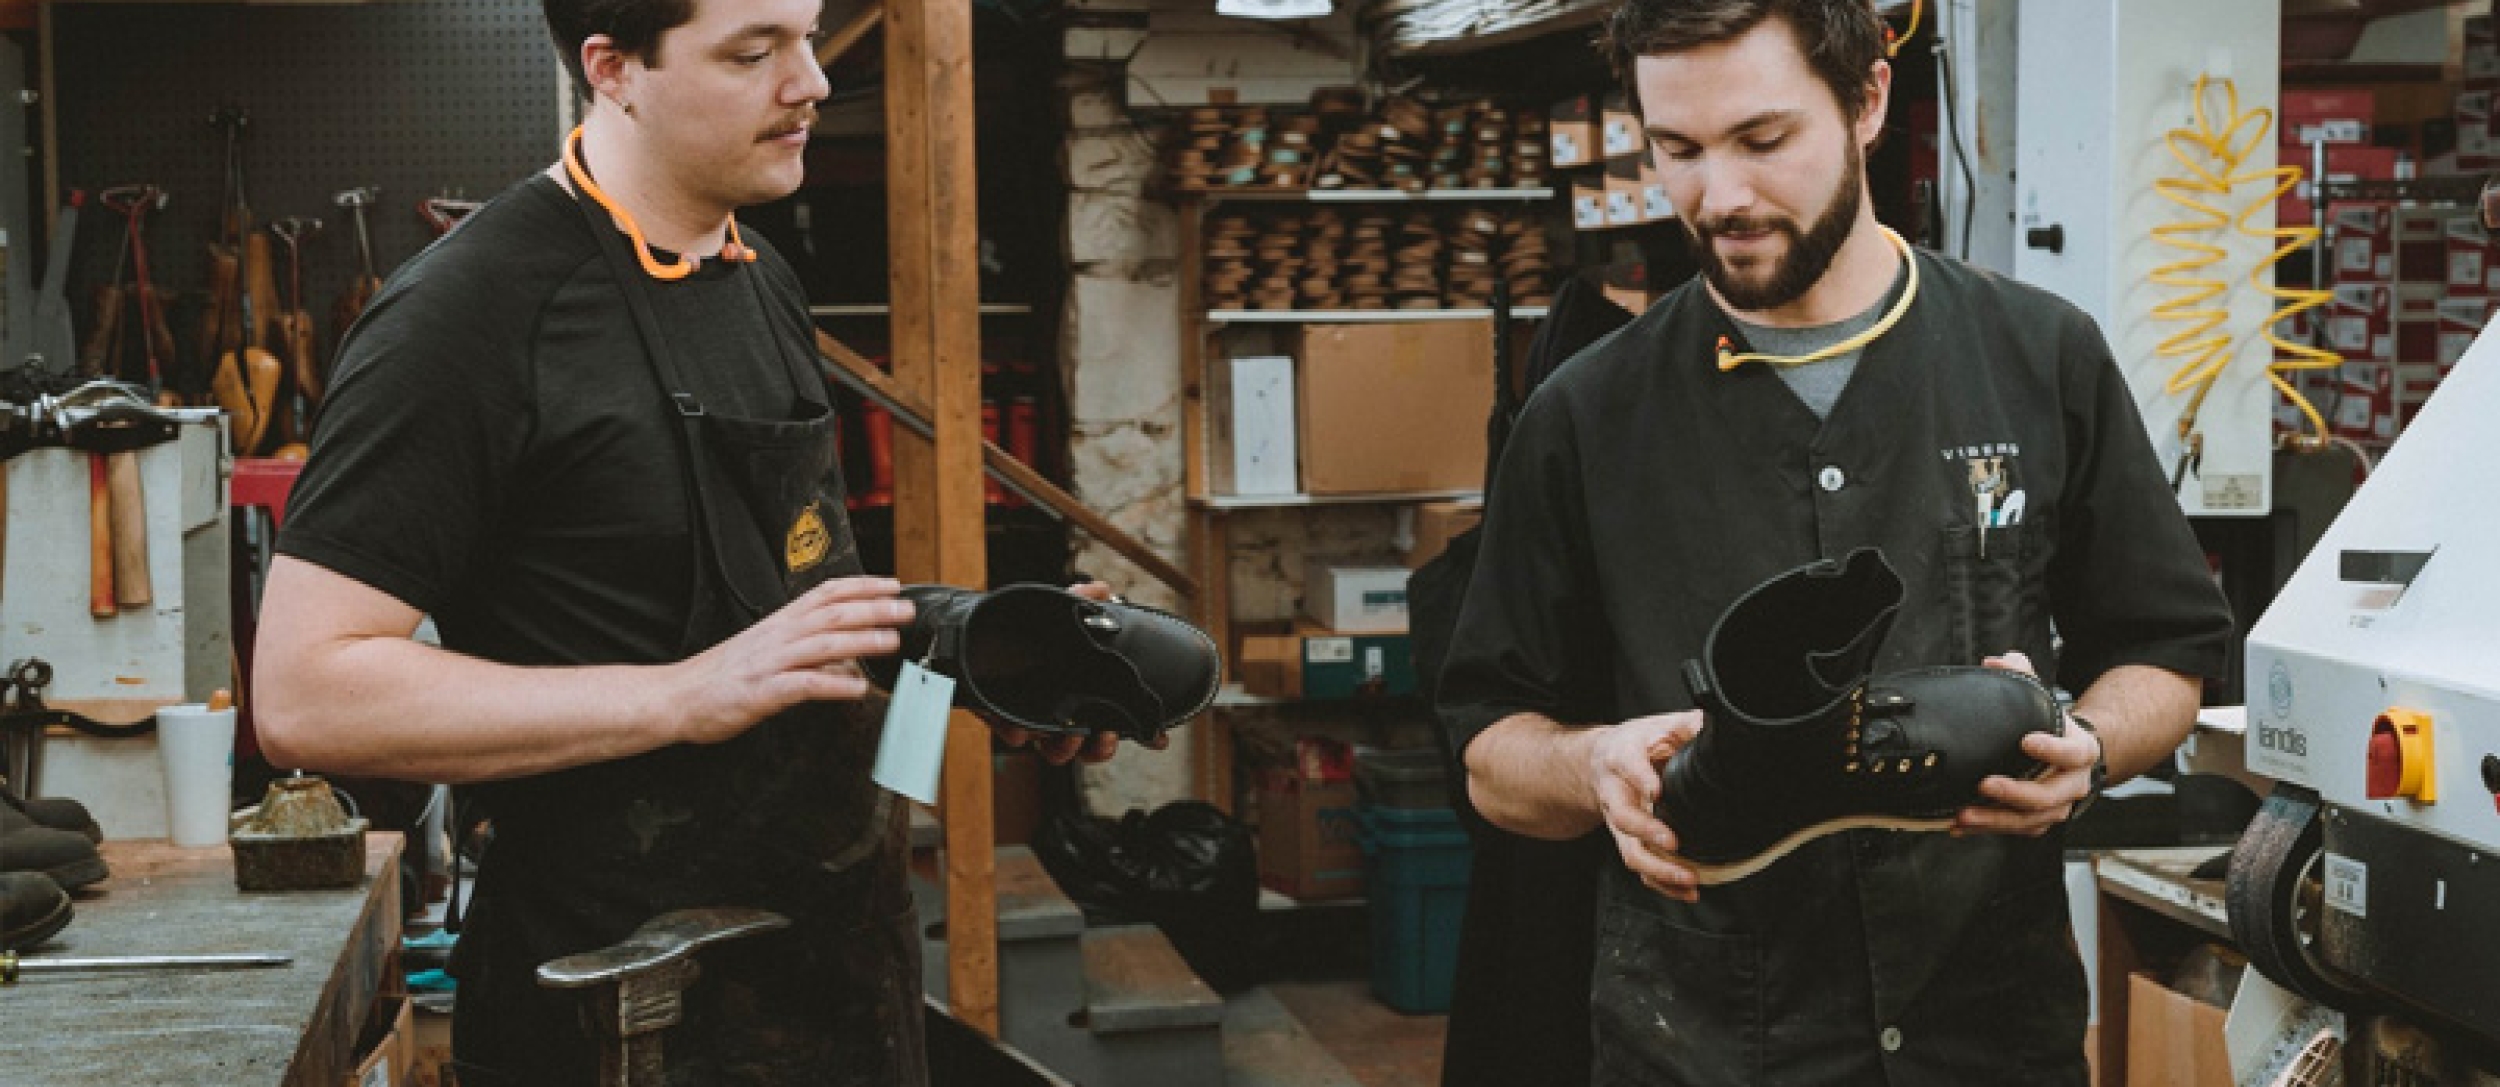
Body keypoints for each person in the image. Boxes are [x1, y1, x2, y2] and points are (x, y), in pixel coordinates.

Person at [252, 0, 1133, 1081]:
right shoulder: (465, 315)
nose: (810, 81)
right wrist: (677, 695)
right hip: (626, 1010)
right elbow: (306, 691)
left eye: (807, 36)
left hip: (838, 978)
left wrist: (980, 668)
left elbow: (807, 621)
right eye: (754, 52)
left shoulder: (756, 275)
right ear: (613, 68)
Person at [1435, 1, 2236, 1082]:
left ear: (1866, 101)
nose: (1718, 196)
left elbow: (2167, 654)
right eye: (1677, 150)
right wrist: (1590, 765)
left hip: (1990, 1038)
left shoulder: (2038, 356)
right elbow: (1489, 747)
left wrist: (2086, 744)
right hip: (1705, 1043)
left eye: (1762, 141)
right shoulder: (1584, 417)